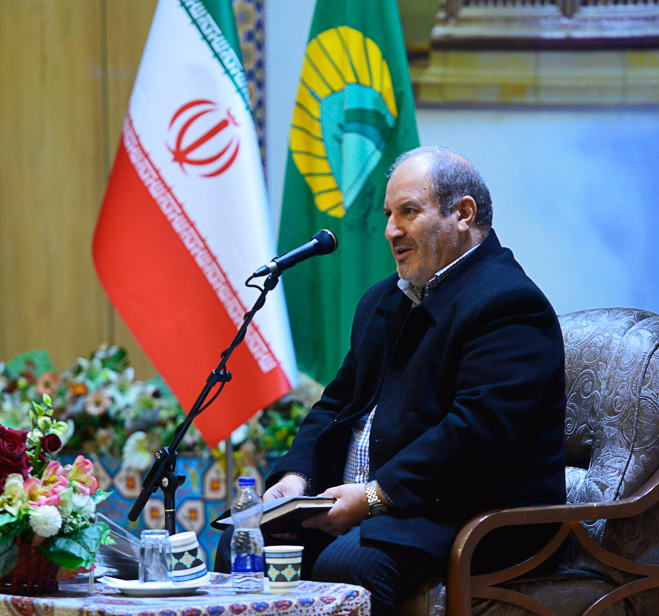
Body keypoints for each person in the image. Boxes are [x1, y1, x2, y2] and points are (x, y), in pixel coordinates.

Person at [215, 146, 567, 614]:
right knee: (243, 544)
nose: (390, 231)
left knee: (349, 564)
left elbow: (477, 432)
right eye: (388, 215)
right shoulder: (383, 300)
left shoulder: (509, 303)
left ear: (463, 214)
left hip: (472, 514)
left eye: (408, 212)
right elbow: (335, 405)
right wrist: (296, 477)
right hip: (382, 511)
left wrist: (373, 497)